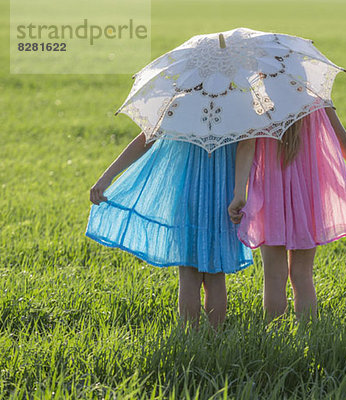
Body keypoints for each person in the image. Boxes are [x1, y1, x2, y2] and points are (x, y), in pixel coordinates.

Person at [86, 133, 253, 329]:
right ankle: (216, 338)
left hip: (188, 190)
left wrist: (107, 177)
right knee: (216, 274)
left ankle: (190, 339)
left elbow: (147, 138)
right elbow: (247, 145)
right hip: (222, 193)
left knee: (189, 273)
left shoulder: (181, 103)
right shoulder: (238, 105)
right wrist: (239, 192)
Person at [228, 106, 346, 321]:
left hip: (271, 197)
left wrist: (240, 191)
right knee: (302, 273)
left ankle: (274, 336)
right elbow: (342, 138)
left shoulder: (258, 101)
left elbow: (246, 145)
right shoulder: (314, 98)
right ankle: (309, 334)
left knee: (274, 275)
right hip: (308, 195)